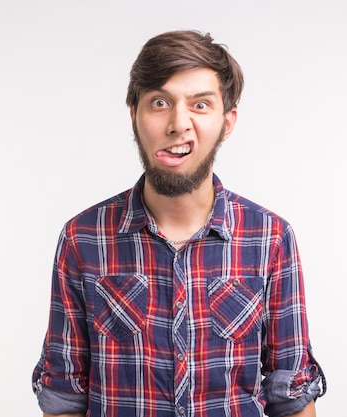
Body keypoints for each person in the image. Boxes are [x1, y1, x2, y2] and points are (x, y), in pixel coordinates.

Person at [32, 30, 326, 417]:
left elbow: (291, 397)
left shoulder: (270, 238)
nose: (178, 124)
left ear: (227, 121)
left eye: (200, 105)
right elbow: (64, 398)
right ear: (134, 114)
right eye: (159, 102)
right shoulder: (82, 238)